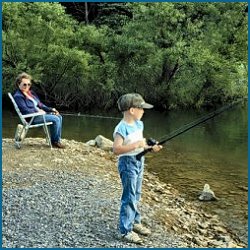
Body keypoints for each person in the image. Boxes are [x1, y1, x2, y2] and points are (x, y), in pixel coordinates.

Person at [113, 93, 162, 244]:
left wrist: (150, 147)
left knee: (137, 193)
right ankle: (124, 231)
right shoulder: (121, 128)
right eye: (141, 108)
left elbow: (141, 144)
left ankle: (135, 222)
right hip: (127, 163)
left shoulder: (139, 124)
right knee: (129, 196)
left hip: (139, 161)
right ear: (132, 110)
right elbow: (116, 149)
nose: (144, 111)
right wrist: (137, 145)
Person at [13, 72, 65, 149]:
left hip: (39, 115)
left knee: (59, 116)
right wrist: (37, 112)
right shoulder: (18, 96)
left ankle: (56, 140)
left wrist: (51, 109)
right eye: (24, 84)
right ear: (18, 84)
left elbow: (40, 104)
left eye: (29, 84)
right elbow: (25, 110)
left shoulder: (30, 93)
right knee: (56, 119)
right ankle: (55, 142)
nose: (27, 86)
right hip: (31, 118)